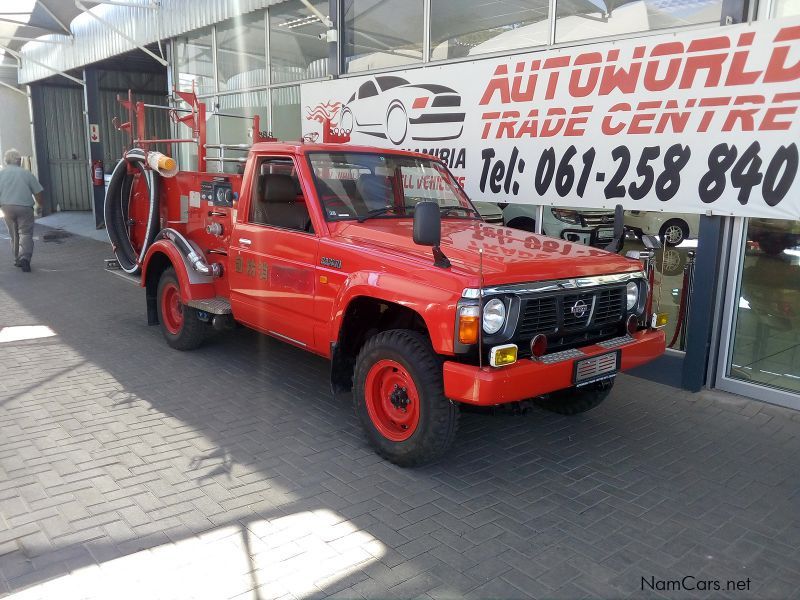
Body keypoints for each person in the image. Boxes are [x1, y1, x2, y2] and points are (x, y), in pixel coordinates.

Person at [0, 149, 43, 272]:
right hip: (24, 207)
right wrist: (39, 205)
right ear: (19, 160)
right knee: (25, 233)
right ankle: (25, 258)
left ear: (6, 161)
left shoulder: (1, 174)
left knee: (14, 233)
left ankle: (17, 259)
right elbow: (38, 192)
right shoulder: (26, 173)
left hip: (6, 207)